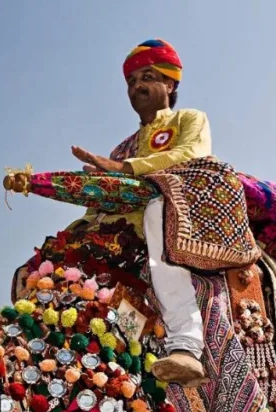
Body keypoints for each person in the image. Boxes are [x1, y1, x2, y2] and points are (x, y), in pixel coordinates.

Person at [70, 39, 210, 386]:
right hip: (121, 235)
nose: (137, 87)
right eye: (131, 82)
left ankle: (186, 344)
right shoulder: (123, 146)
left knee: (156, 206)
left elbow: (192, 153)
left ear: (170, 84)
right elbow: (100, 205)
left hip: (175, 215)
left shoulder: (188, 119)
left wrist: (124, 169)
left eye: (147, 77)